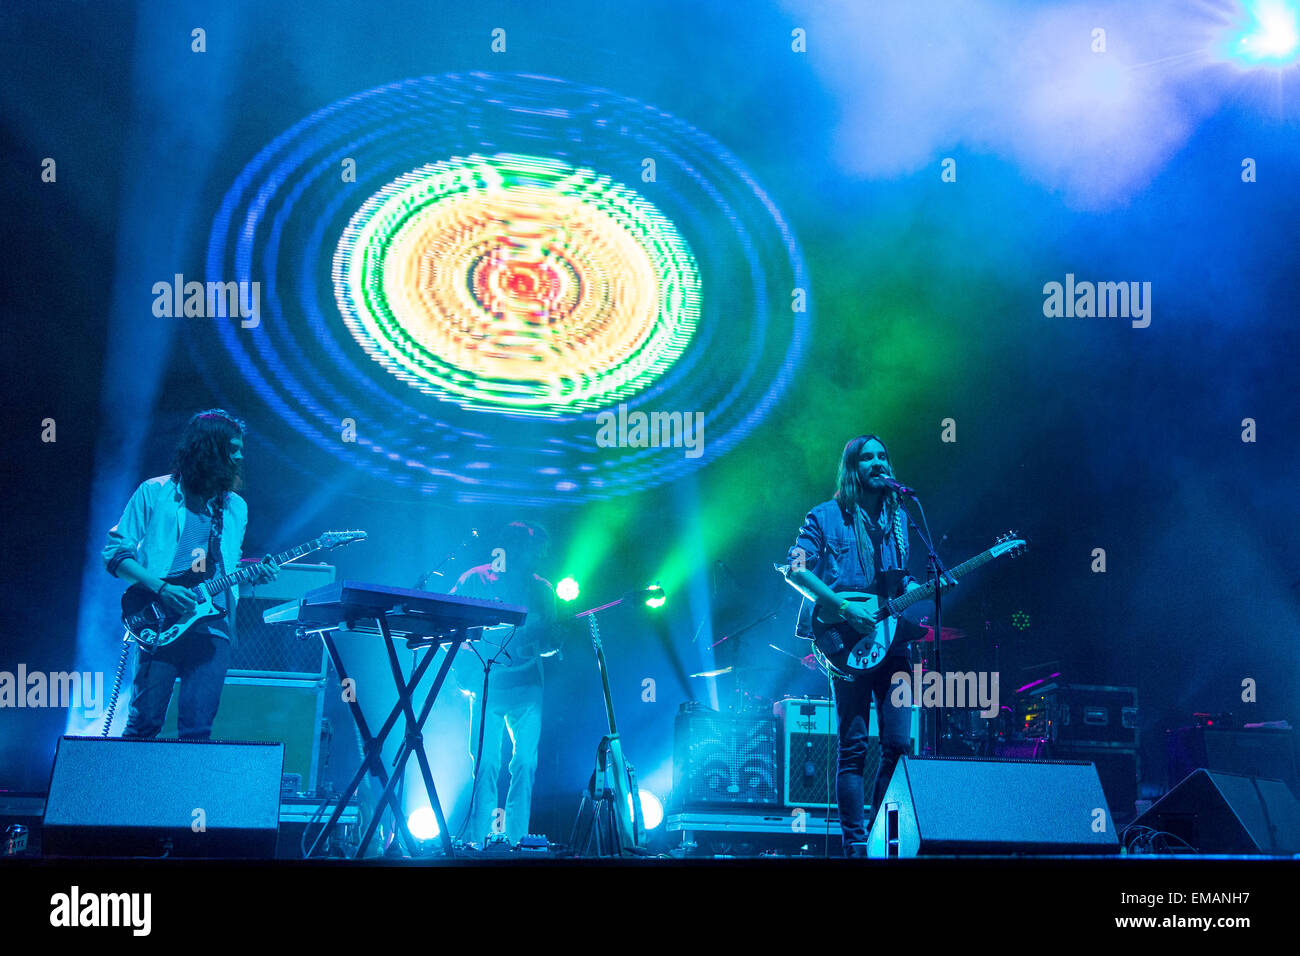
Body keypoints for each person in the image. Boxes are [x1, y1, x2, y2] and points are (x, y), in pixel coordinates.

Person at [781, 434, 952, 857]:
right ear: (852, 468)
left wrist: (923, 587)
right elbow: (794, 569)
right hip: (846, 641)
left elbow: (899, 580)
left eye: (883, 456)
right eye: (867, 457)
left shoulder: (898, 519)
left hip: (891, 642)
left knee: (898, 743)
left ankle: (877, 833)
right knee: (854, 745)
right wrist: (840, 605)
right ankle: (855, 844)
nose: (877, 463)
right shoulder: (825, 516)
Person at [103, 409, 278, 740]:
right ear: (208, 449)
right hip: (160, 617)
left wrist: (254, 574)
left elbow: (223, 566)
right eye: (233, 448)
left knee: (198, 728)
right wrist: (162, 589)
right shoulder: (154, 493)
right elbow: (115, 556)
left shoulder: (235, 507)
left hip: (214, 624)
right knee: (144, 722)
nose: (240, 456)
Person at [450, 520, 558, 846]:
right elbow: (449, 627)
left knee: (525, 763)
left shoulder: (542, 589)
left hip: (527, 688)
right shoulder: (474, 579)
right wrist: (465, 664)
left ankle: (517, 841)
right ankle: (479, 842)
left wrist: (546, 642)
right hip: (486, 687)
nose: (531, 553)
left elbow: (552, 639)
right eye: (525, 546)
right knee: (484, 765)